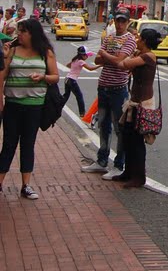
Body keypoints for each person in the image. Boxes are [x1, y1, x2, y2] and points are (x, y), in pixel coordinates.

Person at [0, 18, 60, 200]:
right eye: (19, 31)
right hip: (12, 104)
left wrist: (42, 77)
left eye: (23, 31)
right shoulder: (12, 50)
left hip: (34, 106)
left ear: (32, 33)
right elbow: (2, 76)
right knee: (8, 144)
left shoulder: (45, 52)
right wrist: (0, 101)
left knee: (28, 144)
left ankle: (26, 185)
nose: (19, 34)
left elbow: (55, 77)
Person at [83, 9, 138, 179]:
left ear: (128, 22)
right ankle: (102, 160)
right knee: (103, 124)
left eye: (123, 21)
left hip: (118, 88)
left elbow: (118, 60)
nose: (120, 24)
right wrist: (111, 57)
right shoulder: (109, 37)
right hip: (104, 86)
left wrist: (107, 55)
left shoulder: (129, 40)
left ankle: (119, 164)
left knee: (119, 127)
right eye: (117, 20)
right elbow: (97, 60)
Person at [107, 27, 160, 189]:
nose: (137, 40)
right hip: (134, 101)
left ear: (144, 41)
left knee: (137, 141)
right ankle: (128, 172)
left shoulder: (148, 56)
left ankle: (139, 177)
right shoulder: (141, 55)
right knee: (128, 137)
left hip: (143, 104)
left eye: (139, 38)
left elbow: (123, 64)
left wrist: (111, 56)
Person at [62, 46, 99, 117]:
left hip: (67, 78)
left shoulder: (75, 59)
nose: (87, 57)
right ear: (83, 55)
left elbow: (68, 65)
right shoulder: (81, 61)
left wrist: (74, 68)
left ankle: (57, 107)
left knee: (66, 96)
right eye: (86, 55)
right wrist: (100, 65)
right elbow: (90, 69)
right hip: (72, 80)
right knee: (79, 96)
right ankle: (82, 113)